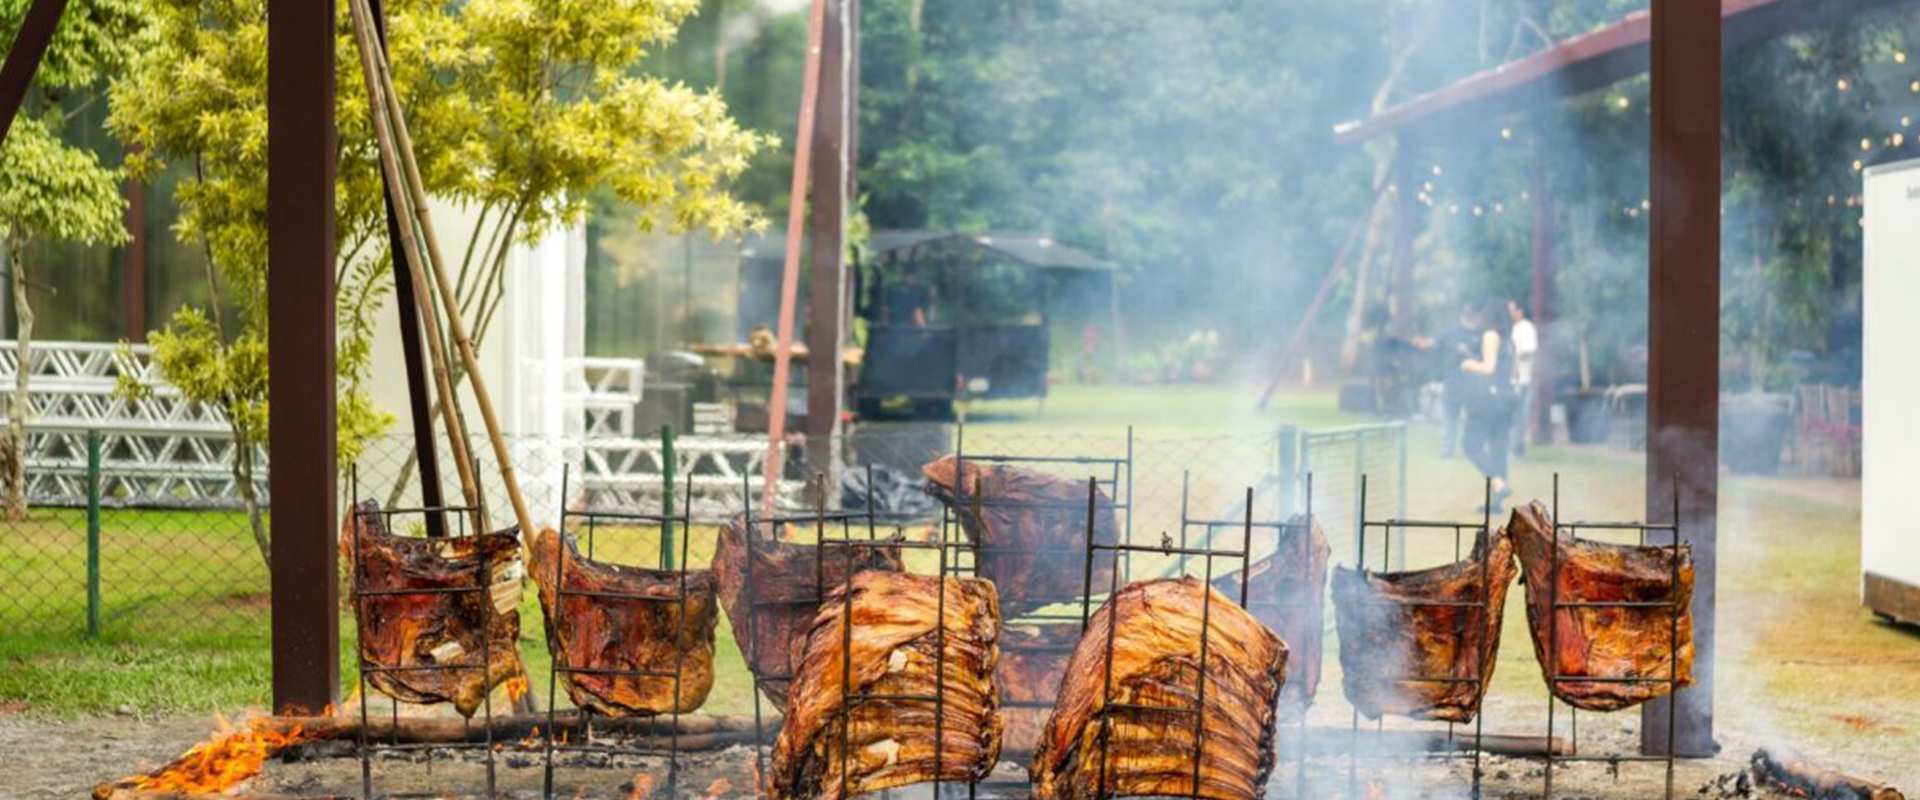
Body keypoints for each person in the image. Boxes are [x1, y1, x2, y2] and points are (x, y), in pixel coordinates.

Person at [1459, 299, 1515, 511]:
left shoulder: (1491, 335)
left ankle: (1498, 483)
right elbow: (1514, 372)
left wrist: (1469, 364)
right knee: (1498, 448)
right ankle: (1495, 504)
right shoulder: (1509, 339)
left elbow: (1489, 368)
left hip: (1489, 399)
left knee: (1470, 444)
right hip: (1507, 397)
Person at [1437, 303, 1479, 457]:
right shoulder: (1450, 334)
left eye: (1472, 315)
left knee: (1473, 422)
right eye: (1466, 315)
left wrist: (1468, 353)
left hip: (1473, 386)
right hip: (1452, 385)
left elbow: (1484, 361)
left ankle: (1471, 449)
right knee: (1449, 421)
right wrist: (1438, 381)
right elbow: (1439, 357)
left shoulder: (1482, 336)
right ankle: (1448, 450)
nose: (1469, 318)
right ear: (1462, 316)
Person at [1507, 299, 1538, 457]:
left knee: (1518, 417)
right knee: (1513, 417)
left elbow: (1529, 350)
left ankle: (1517, 452)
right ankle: (1513, 450)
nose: (1509, 312)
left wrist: (1513, 356)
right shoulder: (1514, 328)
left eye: (1511, 309)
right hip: (1513, 381)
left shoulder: (1526, 327)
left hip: (1522, 380)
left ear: (1520, 311)